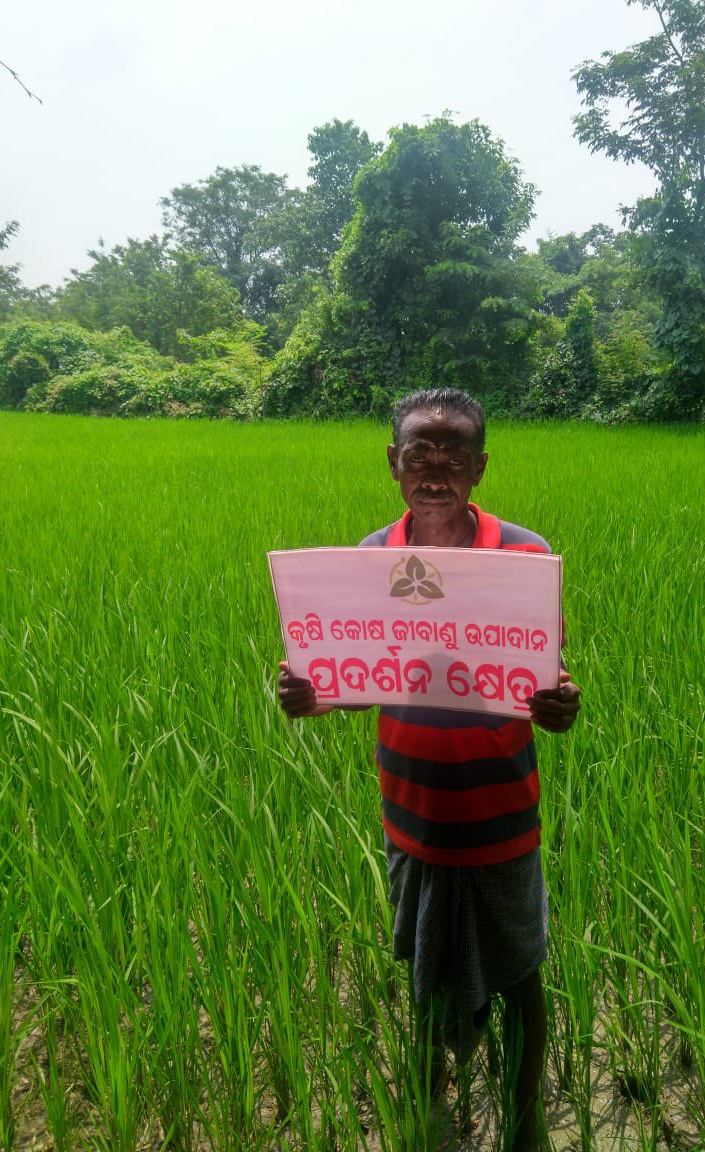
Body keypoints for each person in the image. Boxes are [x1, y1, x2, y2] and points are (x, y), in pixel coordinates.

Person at [277, 388, 580, 1151]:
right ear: (393, 464)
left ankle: (523, 1121)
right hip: (411, 813)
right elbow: (355, 684)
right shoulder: (371, 559)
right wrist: (312, 693)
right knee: (421, 965)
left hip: (502, 813)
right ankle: (427, 1103)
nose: (435, 470)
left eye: (453, 456)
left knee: (522, 974)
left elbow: (545, 675)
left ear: (479, 467)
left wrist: (559, 705)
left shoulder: (525, 557)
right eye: (419, 454)